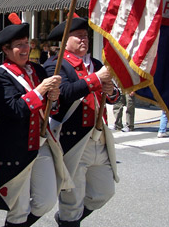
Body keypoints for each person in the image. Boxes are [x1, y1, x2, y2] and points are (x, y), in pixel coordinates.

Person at [44, 17, 120, 227]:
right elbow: (64, 94)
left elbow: (114, 96)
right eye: (78, 36)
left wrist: (111, 91)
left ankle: (68, 221)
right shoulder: (55, 64)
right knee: (72, 200)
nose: (84, 40)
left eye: (85, 36)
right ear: (64, 41)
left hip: (98, 136)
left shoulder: (95, 64)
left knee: (104, 192)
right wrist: (96, 79)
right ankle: (69, 220)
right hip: (73, 139)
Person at [0, 22, 64, 227]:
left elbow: (51, 108)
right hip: (15, 149)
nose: (25, 49)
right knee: (18, 208)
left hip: (41, 143)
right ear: (6, 49)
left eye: (26, 43)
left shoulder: (37, 69)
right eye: (19, 45)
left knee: (46, 200)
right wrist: (40, 91)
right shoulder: (0, 76)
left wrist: (53, 98)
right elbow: (14, 109)